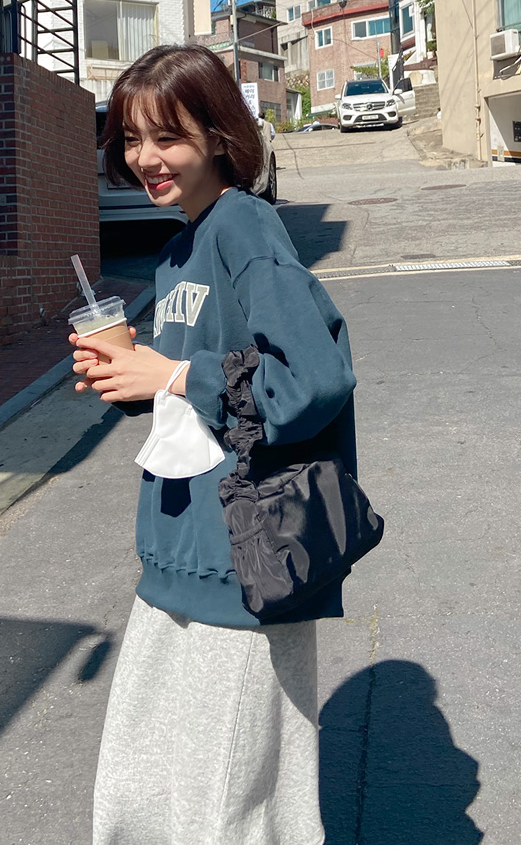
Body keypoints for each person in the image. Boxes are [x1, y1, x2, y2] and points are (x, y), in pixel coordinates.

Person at [70, 44, 358, 846]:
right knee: (145, 782)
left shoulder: (243, 226)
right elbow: (199, 395)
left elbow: (311, 380)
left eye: (168, 136)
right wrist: (133, 375)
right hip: (176, 550)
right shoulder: (180, 249)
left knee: (224, 801)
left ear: (220, 134)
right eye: (132, 139)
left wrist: (170, 373)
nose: (146, 159)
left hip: (246, 559)